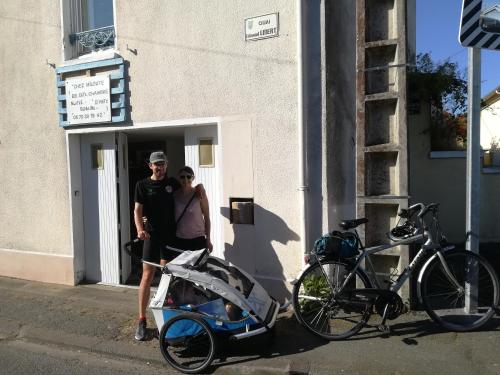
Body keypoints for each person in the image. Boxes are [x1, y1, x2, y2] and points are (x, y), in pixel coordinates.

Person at [133, 151, 179, 341]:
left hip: (169, 237)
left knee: (167, 278)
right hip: (151, 236)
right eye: (156, 164)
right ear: (150, 166)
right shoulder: (142, 185)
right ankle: (142, 320)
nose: (159, 167)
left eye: (162, 164)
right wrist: (139, 229)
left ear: (166, 165)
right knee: (147, 276)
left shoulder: (172, 184)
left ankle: (165, 320)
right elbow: (137, 210)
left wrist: (198, 190)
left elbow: (186, 192)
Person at [173, 166, 213, 252]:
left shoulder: (199, 194)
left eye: (188, 177)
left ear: (193, 178)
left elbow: (206, 217)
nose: (186, 179)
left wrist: (208, 239)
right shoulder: (174, 195)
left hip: (198, 238)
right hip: (180, 239)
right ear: (178, 178)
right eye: (182, 177)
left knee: (199, 265)